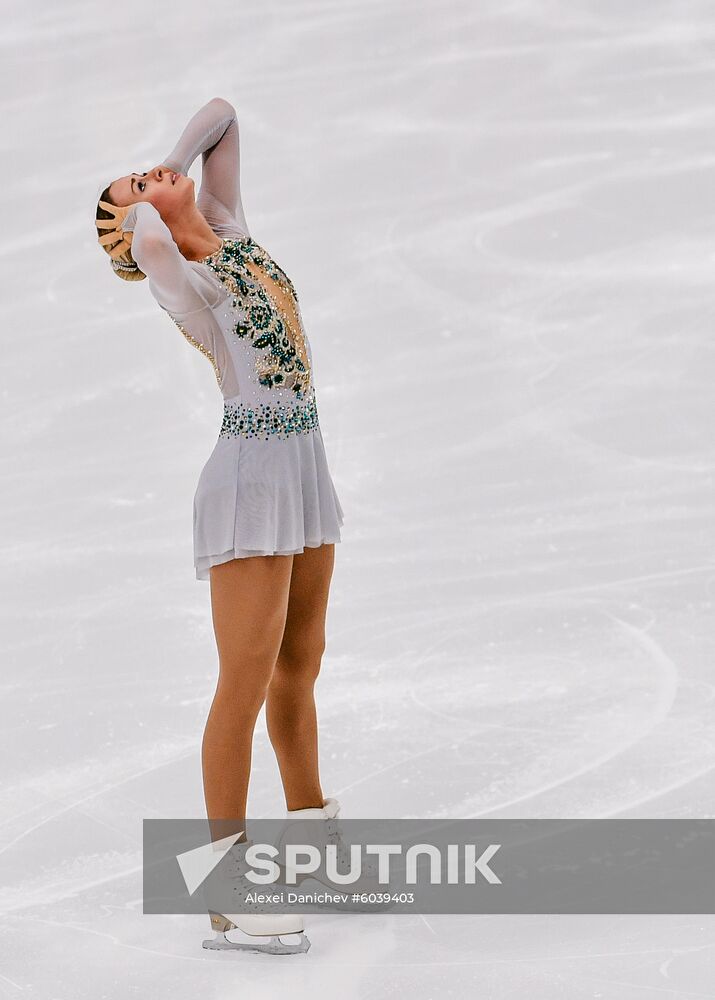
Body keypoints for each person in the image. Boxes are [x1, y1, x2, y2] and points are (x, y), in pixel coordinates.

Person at [94, 97, 347, 955]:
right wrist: (138, 212)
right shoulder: (185, 282)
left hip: (302, 467)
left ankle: (314, 845)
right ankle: (225, 896)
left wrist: (162, 174)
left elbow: (222, 116)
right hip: (248, 485)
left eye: (144, 173)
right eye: (135, 185)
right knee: (241, 683)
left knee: (299, 665)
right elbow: (148, 244)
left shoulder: (227, 230)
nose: (151, 177)